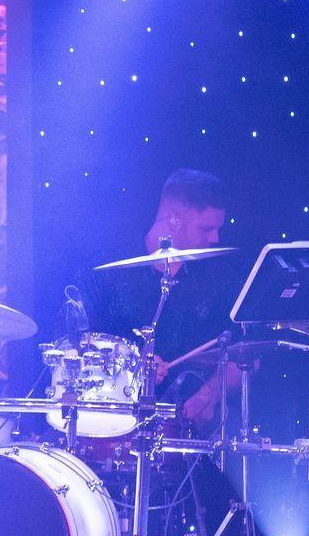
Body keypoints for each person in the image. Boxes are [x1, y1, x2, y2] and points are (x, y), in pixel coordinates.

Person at [81, 168, 243, 430]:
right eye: (206, 228)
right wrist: (134, 365)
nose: (215, 238)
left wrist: (209, 394)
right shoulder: (108, 273)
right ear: (174, 219)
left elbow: (247, 356)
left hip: (185, 435)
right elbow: (75, 346)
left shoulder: (220, 278)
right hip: (108, 425)